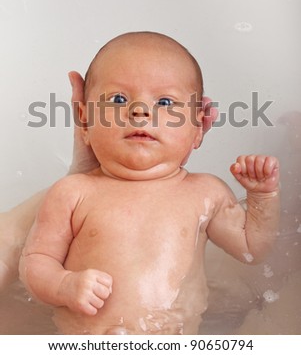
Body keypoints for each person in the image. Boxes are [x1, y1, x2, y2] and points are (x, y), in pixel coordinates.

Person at [19, 32, 280, 335]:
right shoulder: (72, 193)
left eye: (165, 101)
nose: (140, 111)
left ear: (197, 128)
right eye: (119, 99)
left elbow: (252, 249)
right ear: (85, 120)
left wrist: (262, 196)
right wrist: (64, 285)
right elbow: (35, 263)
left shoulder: (206, 194)